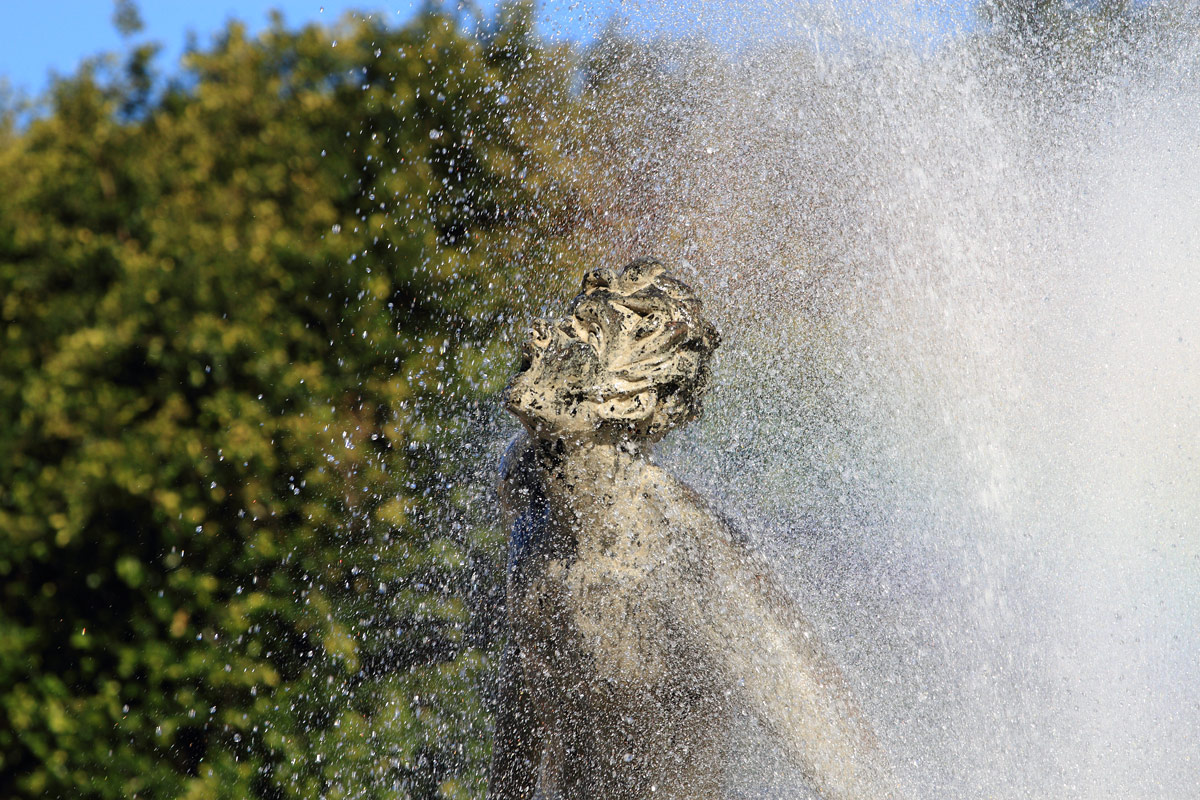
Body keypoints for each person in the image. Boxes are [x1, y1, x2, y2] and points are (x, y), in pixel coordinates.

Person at [489, 258, 901, 800]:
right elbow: (523, 719)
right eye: (566, 324)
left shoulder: (682, 549)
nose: (541, 337)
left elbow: (847, 761)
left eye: (583, 338)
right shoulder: (533, 500)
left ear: (630, 398)